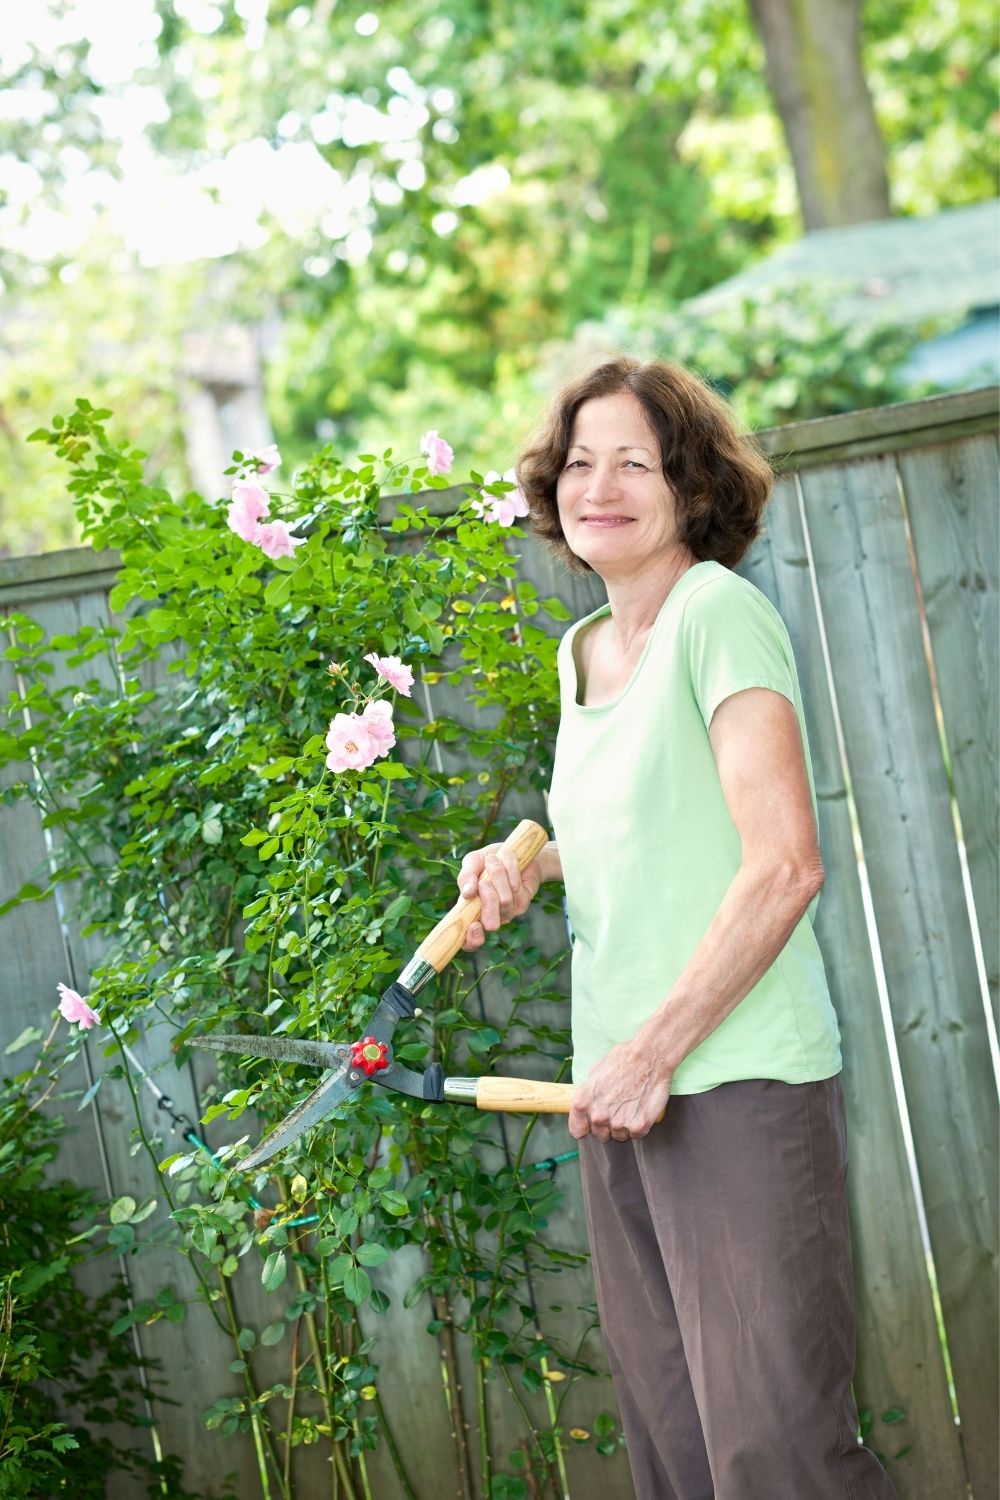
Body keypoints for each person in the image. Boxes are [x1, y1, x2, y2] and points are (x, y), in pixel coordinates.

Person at [456, 356, 899, 1500]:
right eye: (579, 462)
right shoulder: (586, 650)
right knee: (680, 1453)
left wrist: (655, 1053)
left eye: (633, 463)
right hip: (615, 1094)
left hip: (733, 1082)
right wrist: (523, 869)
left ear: (690, 488)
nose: (598, 485)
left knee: (778, 1455)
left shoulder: (719, 615)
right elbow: (628, 830)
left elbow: (783, 866)